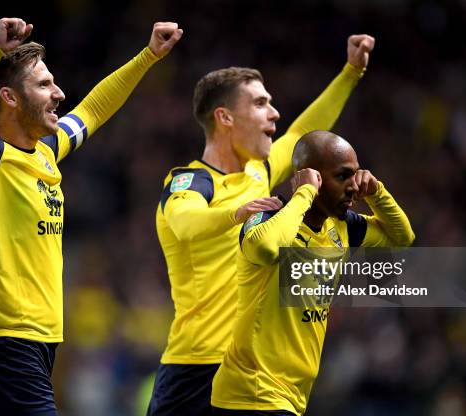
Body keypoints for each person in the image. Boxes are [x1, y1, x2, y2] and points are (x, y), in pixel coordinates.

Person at [0, 17, 182, 415]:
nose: (59, 93)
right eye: (44, 85)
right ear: (10, 97)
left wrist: (147, 56)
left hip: (23, 354)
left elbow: (94, 109)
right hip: (6, 350)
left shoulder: (46, 153)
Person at [150, 35, 375, 415]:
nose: (274, 113)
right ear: (225, 117)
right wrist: (235, 213)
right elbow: (186, 223)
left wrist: (351, 72)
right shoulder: (191, 182)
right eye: (260, 103)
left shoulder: (260, 171)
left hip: (251, 369)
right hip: (199, 366)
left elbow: (306, 130)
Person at [210, 131, 415, 415]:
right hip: (252, 394)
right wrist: (304, 193)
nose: (353, 186)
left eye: (355, 176)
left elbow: (402, 238)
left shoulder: (341, 228)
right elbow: (267, 248)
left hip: (289, 397)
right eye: (343, 176)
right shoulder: (269, 218)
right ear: (312, 177)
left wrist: (378, 193)